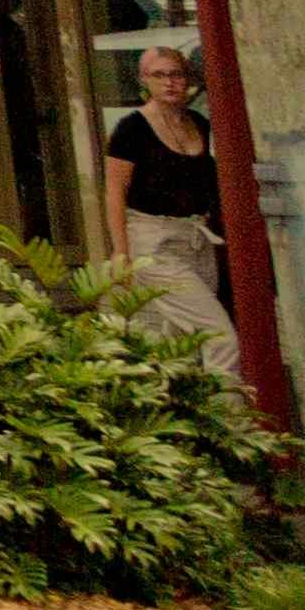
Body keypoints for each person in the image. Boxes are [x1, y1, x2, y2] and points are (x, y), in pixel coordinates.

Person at [100, 42, 238, 379]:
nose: (169, 83)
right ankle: (234, 423)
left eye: (176, 74)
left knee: (177, 342)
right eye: (159, 75)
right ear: (144, 80)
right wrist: (121, 251)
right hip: (153, 241)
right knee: (221, 337)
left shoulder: (199, 123)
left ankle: (170, 414)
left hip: (196, 239)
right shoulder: (131, 129)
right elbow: (115, 190)